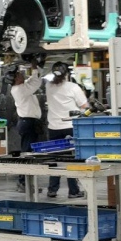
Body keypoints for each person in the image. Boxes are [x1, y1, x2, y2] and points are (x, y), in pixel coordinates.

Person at [45, 62, 88, 199]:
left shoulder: (48, 86)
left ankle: (52, 190)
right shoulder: (73, 87)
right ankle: (73, 191)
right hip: (70, 127)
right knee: (71, 159)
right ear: (67, 73)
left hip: (53, 128)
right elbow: (84, 106)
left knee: (55, 159)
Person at [10, 65, 42, 192]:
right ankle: (23, 183)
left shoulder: (21, 87)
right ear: (15, 79)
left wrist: (37, 69)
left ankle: (28, 184)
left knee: (30, 154)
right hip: (27, 123)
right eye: (19, 74)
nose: (22, 75)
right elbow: (36, 84)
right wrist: (35, 68)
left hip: (28, 122)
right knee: (27, 154)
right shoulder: (19, 90)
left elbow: (34, 81)